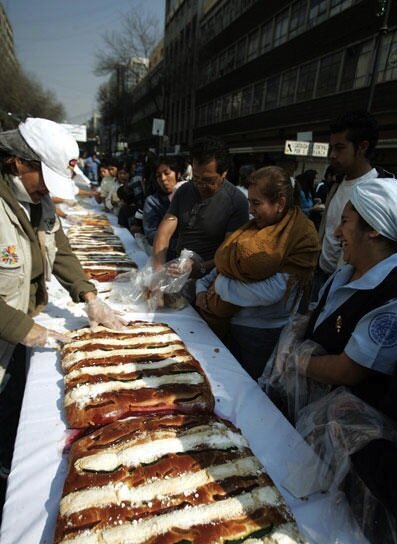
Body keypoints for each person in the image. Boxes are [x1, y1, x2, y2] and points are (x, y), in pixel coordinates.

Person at [0, 118, 125, 504]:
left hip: (16, 329)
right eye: (45, 181)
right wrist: (24, 328)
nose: (48, 193)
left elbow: (61, 248)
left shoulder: (38, 202)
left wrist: (89, 296)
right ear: (20, 163)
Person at [266, 177, 397, 422]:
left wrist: (295, 361)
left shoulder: (390, 295)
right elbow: (322, 310)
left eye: (345, 222)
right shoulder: (346, 271)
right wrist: (299, 329)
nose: (336, 233)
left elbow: (348, 371)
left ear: (374, 229)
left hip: (342, 425)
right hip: (309, 407)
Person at [196, 166, 320, 379]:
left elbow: (274, 290)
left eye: (256, 203)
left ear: (280, 203)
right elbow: (224, 264)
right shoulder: (254, 228)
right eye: (250, 202)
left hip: (263, 335)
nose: (251, 210)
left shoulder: (300, 235)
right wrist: (201, 288)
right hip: (232, 326)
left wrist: (221, 286)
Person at [152, 136, 249, 278]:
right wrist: (158, 270)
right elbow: (164, 232)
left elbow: (228, 254)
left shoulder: (236, 202)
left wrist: (200, 268)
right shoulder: (185, 190)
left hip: (210, 279)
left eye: (208, 180)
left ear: (224, 173)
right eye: (196, 178)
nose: (200, 184)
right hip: (177, 272)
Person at [317, 111, 382, 285]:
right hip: (322, 276)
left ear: (362, 147)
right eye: (331, 148)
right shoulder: (337, 183)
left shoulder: (379, 192)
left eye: (339, 148)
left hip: (349, 282)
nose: (332, 155)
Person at [143, 155, 184, 259]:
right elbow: (151, 234)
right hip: (166, 257)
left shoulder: (190, 196)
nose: (163, 179)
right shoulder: (152, 202)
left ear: (178, 174)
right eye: (158, 175)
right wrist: (178, 244)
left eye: (167, 173)